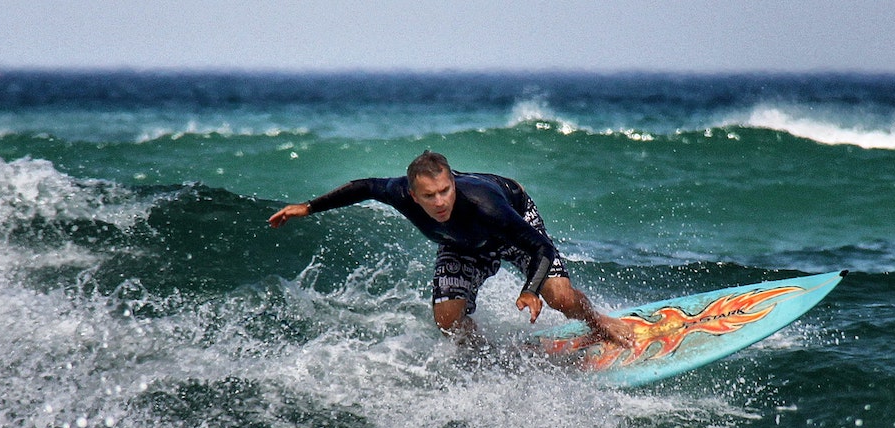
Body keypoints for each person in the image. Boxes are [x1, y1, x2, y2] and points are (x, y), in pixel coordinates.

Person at [268, 151, 634, 348]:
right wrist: (309, 207)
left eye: (446, 190)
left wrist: (529, 290)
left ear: (453, 182)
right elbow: (363, 187)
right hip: (460, 244)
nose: (440, 201)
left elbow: (541, 247)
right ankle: (487, 357)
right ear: (413, 194)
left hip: (509, 226)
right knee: (447, 320)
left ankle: (598, 323)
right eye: (430, 195)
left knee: (558, 295)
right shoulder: (399, 193)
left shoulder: (485, 204)